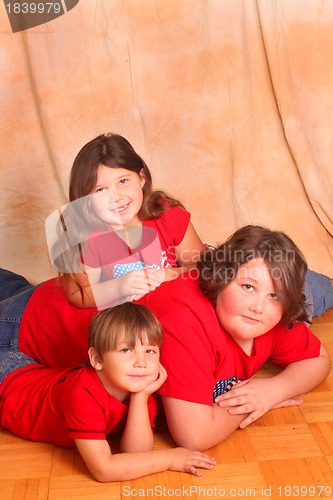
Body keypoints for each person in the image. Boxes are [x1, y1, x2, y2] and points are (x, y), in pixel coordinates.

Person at [137, 225, 331, 450]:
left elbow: (319, 360)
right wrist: (250, 403)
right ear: (220, 280)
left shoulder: (272, 311)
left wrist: (273, 390)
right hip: (102, 326)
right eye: (248, 287)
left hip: (282, 279)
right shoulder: (184, 321)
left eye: (274, 295)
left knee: (318, 290)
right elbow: (195, 436)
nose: (258, 307)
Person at [0, 302, 216, 482]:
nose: (141, 362)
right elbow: (103, 469)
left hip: (26, 369)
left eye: (150, 350)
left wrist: (140, 398)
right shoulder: (81, 394)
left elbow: (136, 454)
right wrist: (170, 459)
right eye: (126, 350)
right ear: (96, 359)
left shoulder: (140, 386)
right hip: (5, 385)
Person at [46, 133, 205, 309]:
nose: (116, 197)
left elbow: (203, 269)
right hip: (27, 312)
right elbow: (79, 294)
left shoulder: (168, 216)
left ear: (141, 178)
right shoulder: (85, 235)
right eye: (100, 190)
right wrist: (119, 287)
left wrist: (167, 274)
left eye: (123, 181)